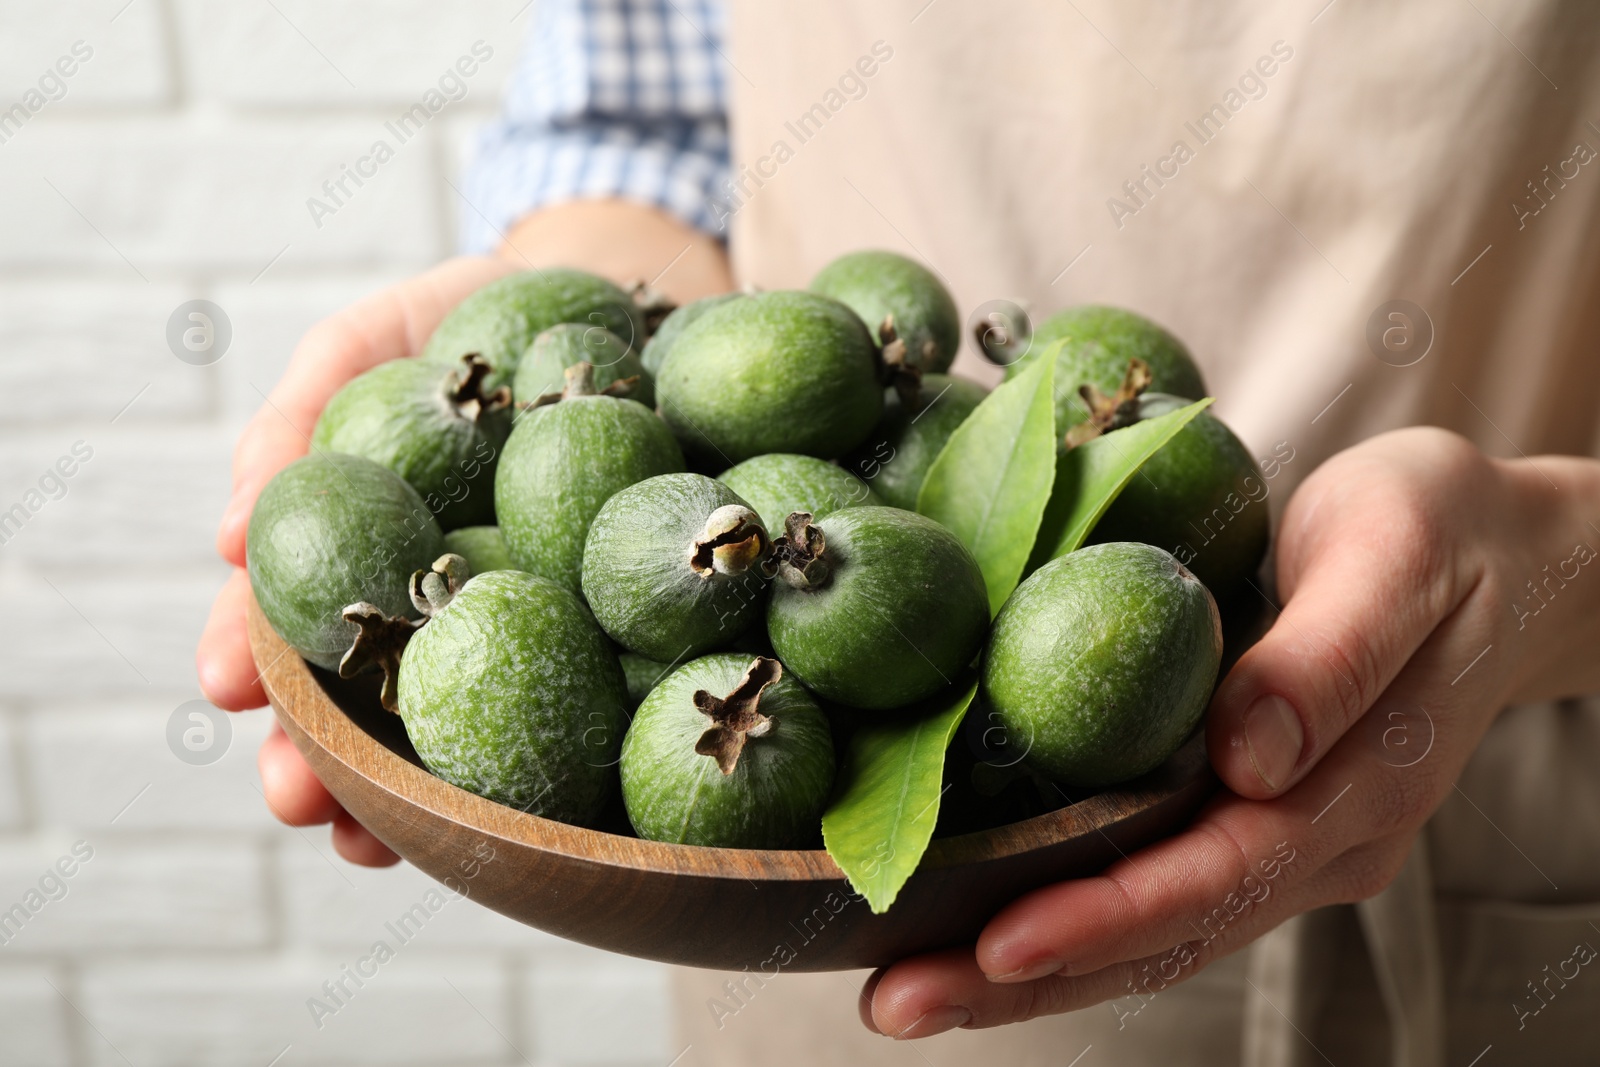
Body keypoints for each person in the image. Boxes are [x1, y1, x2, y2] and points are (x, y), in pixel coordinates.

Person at [198, 2, 1600, 1063]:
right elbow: (639, 121)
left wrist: (1556, 557)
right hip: (821, 911)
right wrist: (584, 302)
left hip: (1496, 811)